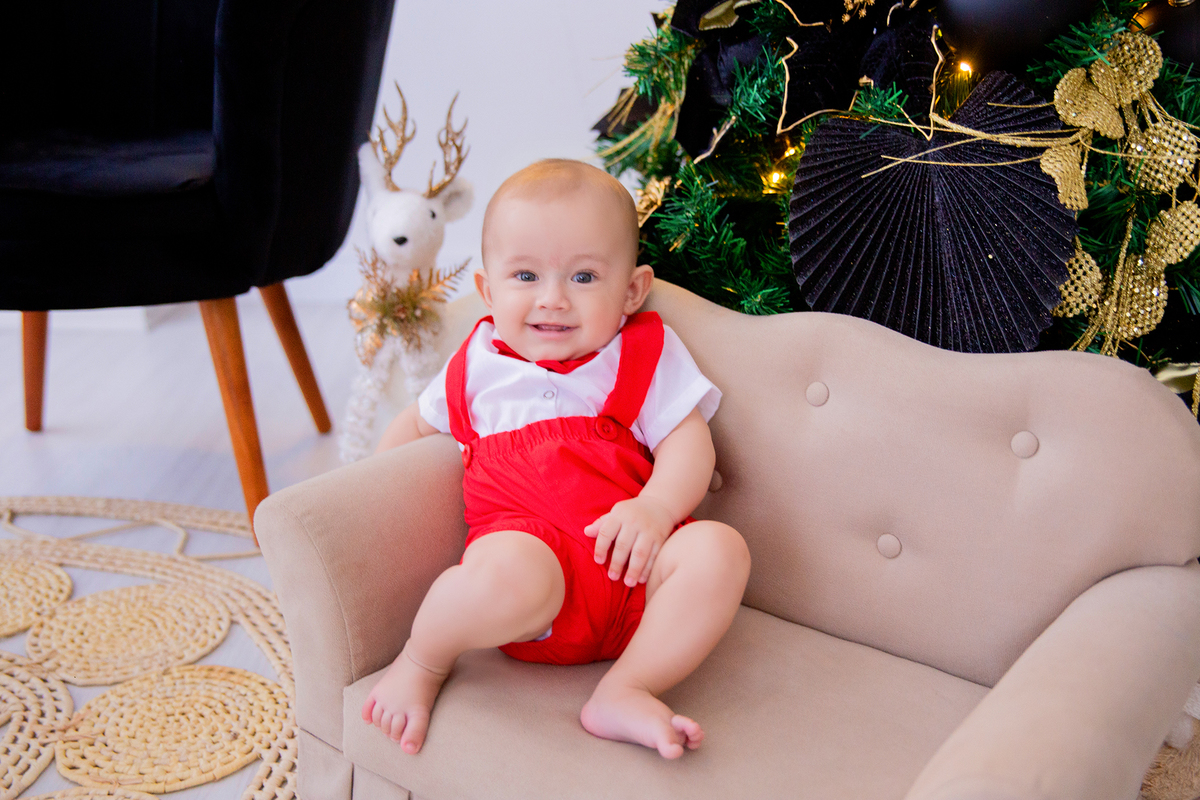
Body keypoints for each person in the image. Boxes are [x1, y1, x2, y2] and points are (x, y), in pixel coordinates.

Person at [363, 158, 750, 760]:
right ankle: (422, 661)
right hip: (530, 583)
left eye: (585, 278)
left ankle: (627, 688)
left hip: (633, 578)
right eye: (524, 275)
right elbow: (412, 427)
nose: (553, 300)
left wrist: (655, 507)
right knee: (507, 575)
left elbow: (687, 440)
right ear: (488, 292)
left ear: (632, 290)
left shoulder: (641, 352)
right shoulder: (475, 367)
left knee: (719, 550)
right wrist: (367, 494)